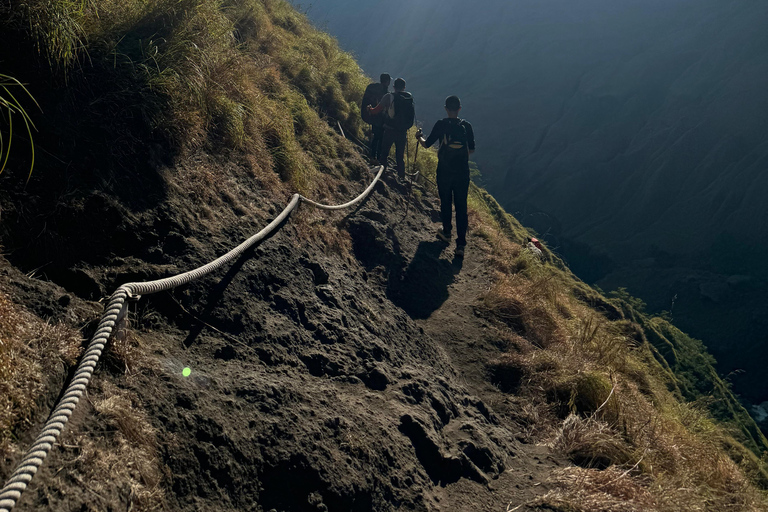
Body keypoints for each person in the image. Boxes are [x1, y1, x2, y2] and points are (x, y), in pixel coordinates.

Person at [416, 95, 475, 257]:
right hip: (462, 172)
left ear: (446, 108)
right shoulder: (467, 126)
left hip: (444, 170)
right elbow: (471, 149)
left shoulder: (441, 124)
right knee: (461, 207)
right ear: (460, 109)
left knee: (446, 202)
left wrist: (418, 136)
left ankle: (446, 232)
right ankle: (461, 245)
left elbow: (427, 144)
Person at [367, 77, 414, 179]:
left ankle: (382, 174)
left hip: (389, 130)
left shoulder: (389, 97)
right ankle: (402, 177)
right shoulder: (409, 99)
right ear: (404, 88)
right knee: (399, 156)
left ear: (394, 86)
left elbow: (376, 111)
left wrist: (370, 109)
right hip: (402, 132)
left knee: (384, 153)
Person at [361, 73, 391, 160]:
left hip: (373, 116)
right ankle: (378, 158)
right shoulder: (386, 92)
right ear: (387, 82)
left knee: (375, 137)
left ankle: (372, 155)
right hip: (382, 119)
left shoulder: (374, 89)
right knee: (381, 138)